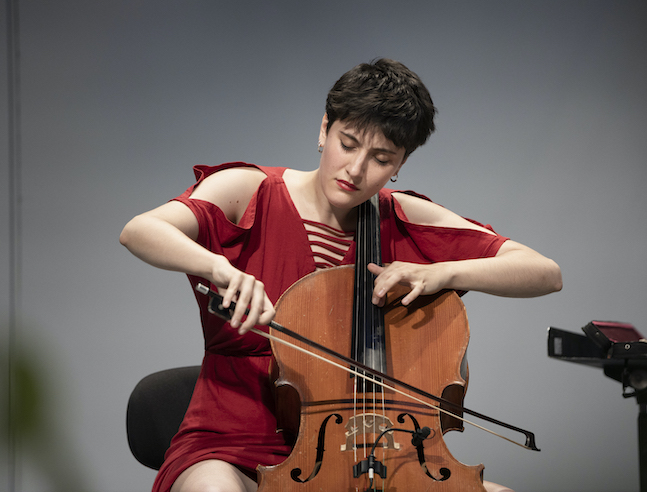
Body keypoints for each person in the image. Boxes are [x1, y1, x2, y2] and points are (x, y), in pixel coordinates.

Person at [120, 58, 562, 492]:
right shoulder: (246, 190)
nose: (356, 169)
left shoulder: (402, 216)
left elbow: (544, 272)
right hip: (230, 444)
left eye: (381, 158)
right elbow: (140, 230)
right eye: (347, 143)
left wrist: (442, 273)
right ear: (324, 128)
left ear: (400, 164)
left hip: (371, 455)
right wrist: (218, 266)